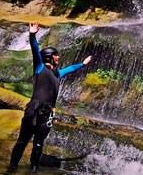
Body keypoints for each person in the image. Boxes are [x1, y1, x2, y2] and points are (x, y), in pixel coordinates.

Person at [9, 22, 92, 172]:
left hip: (46, 114)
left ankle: (33, 170)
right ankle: (11, 168)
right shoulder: (40, 67)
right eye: (56, 55)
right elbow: (35, 50)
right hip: (33, 111)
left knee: (39, 144)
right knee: (22, 141)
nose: (58, 58)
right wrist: (32, 35)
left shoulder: (57, 74)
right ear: (49, 57)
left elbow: (71, 69)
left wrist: (83, 64)